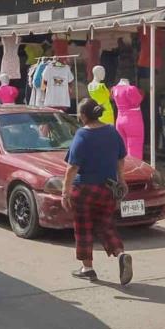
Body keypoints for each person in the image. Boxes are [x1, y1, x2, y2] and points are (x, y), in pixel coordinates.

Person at [62, 98, 133, 285]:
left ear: (84, 116)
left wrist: (65, 192)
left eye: (79, 113)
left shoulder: (82, 135)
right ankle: (120, 254)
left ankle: (88, 268)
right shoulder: (112, 131)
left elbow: (72, 168)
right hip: (108, 188)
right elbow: (120, 159)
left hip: (84, 188)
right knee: (105, 224)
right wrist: (122, 180)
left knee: (83, 227)